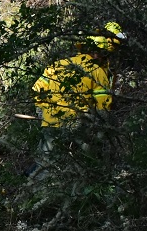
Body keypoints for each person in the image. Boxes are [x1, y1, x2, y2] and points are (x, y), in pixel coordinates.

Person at [32, 22, 126, 154]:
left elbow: (37, 88)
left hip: (50, 122)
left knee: (45, 162)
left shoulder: (57, 65)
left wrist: (42, 112)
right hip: (77, 125)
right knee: (85, 159)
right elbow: (103, 107)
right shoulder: (97, 72)